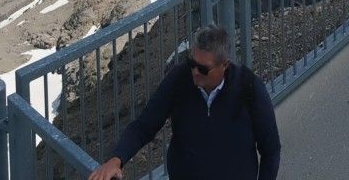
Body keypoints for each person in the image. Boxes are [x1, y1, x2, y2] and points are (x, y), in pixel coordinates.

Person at [89, 27, 278, 180]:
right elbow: (144, 126)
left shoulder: (249, 87)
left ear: (225, 65)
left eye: (203, 69)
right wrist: (117, 159)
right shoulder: (180, 78)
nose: (195, 72)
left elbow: (270, 149)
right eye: (191, 63)